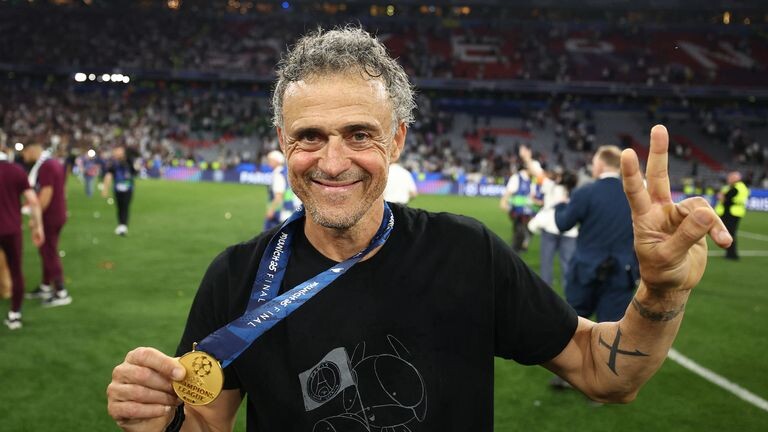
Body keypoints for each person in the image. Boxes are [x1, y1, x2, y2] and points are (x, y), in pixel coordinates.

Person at [107, 27, 732, 432]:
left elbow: (605, 373)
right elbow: (205, 423)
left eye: (359, 134)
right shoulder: (237, 275)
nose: (332, 162)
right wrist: (160, 420)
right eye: (309, 137)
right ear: (282, 143)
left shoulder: (467, 252)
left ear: (398, 139)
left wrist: (661, 291)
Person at [554, 145, 637, 323]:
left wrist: (560, 205)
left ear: (600, 164)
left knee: (574, 327)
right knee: (612, 332)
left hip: (585, 271)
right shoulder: (633, 196)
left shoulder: (586, 192)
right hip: (621, 272)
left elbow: (563, 224)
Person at [21, 142, 73, 307]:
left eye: (25, 152)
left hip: (50, 216)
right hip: (57, 213)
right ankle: (45, 286)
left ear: (32, 150)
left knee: (48, 252)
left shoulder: (46, 166)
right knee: (46, 251)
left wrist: (35, 219)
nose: (23, 156)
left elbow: (46, 194)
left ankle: (61, 291)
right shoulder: (52, 163)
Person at [521, 145, 578, 290]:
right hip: (570, 232)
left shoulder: (551, 186)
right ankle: (570, 292)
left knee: (546, 263)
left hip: (550, 230)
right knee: (568, 264)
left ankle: (546, 292)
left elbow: (537, 172)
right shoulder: (577, 193)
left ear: (560, 178)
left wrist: (527, 158)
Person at [0, 144, 44, 329]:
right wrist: (38, 227)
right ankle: (15, 313)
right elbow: (33, 200)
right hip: (11, 230)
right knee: (16, 271)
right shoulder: (16, 171)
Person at [500, 160, 537, 252]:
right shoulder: (517, 178)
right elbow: (508, 193)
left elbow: (531, 196)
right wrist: (504, 203)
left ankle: (521, 246)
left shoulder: (532, 179)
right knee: (519, 233)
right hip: (518, 211)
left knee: (530, 229)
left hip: (529, 210)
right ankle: (514, 251)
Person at [102, 146, 137, 236]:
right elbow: (109, 175)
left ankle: (123, 226)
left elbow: (134, 171)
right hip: (117, 189)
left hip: (128, 188)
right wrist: (105, 189)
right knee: (119, 207)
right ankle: (121, 224)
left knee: (125, 206)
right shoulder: (113, 164)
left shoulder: (129, 161)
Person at [715, 171, 749, 260]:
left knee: (730, 233)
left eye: (730, 177)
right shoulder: (738, 187)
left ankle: (732, 254)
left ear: (735, 178)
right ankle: (730, 253)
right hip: (733, 213)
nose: (728, 179)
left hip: (732, 213)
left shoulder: (736, 188)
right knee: (729, 232)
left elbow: (726, 199)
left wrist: (722, 197)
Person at [263, 150, 300, 230]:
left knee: (271, 235)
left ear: (276, 161)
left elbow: (278, 196)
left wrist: (271, 209)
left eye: (270, 160)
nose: (268, 162)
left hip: (280, 213)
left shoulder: (278, 175)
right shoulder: (286, 172)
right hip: (289, 210)